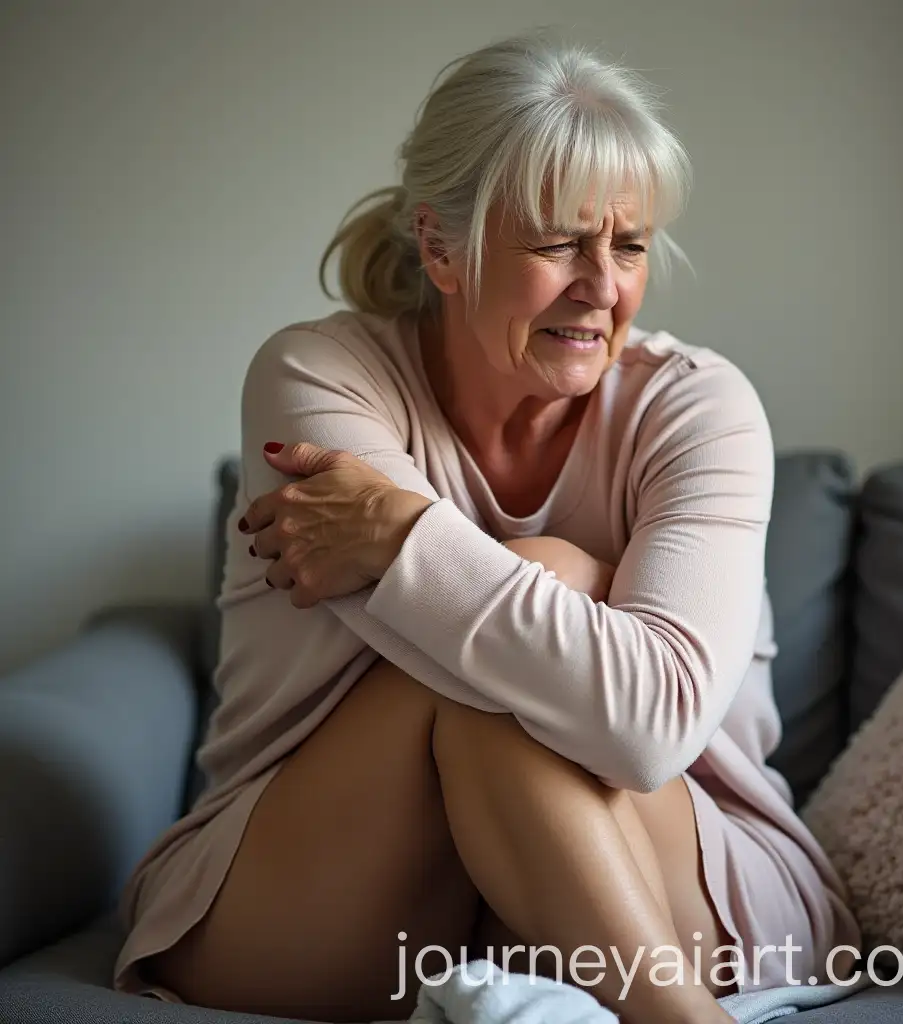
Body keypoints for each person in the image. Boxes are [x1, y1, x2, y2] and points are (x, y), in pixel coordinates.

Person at [112, 31, 860, 1024]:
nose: (602, 286)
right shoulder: (316, 379)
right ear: (438, 246)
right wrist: (545, 597)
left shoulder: (698, 406)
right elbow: (569, 684)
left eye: (627, 245)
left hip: (684, 877)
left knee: (525, 612)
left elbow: (649, 732)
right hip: (325, 884)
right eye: (558, 243)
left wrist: (400, 537)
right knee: (507, 643)